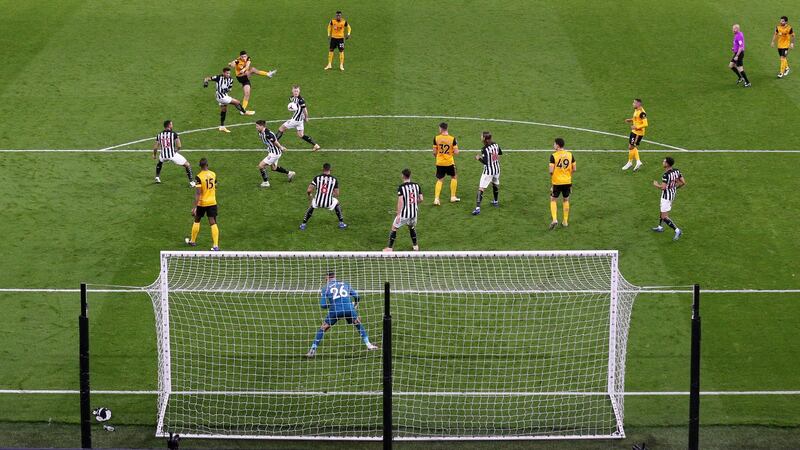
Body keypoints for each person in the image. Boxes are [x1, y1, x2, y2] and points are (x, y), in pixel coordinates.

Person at [306, 271, 378, 358]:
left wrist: (332, 304)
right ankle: (368, 345)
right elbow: (357, 297)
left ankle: (312, 350)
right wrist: (355, 305)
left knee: (323, 328)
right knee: (358, 323)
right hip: (349, 309)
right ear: (335, 277)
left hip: (335, 310)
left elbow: (323, 305)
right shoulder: (345, 284)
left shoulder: (325, 288)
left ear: (327, 278)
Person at [203, 67, 255, 133]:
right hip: (221, 96)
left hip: (225, 95)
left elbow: (229, 89)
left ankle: (222, 126)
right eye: (227, 73)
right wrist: (206, 82)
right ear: (223, 73)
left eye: (229, 73)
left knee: (224, 110)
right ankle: (244, 112)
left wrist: (226, 90)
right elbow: (207, 78)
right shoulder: (218, 77)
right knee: (237, 102)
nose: (228, 74)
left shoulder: (231, 79)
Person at [185, 158, 220, 250]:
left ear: (200, 166)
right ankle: (215, 246)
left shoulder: (199, 177)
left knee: (197, 220)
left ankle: (192, 241)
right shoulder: (213, 174)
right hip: (212, 201)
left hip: (202, 203)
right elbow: (215, 186)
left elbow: (198, 193)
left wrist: (194, 207)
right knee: (213, 222)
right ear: (207, 165)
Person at [384, 168, 423, 252]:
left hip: (405, 214)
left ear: (402, 176)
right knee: (411, 227)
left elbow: (400, 201)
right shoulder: (417, 185)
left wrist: (398, 214)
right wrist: (414, 204)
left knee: (394, 227)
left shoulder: (401, 187)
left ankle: (389, 248)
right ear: (410, 175)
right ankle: (416, 246)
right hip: (414, 213)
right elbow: (421, 199)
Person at [300, 163, 346, 230]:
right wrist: (330, 195)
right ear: (330, 169)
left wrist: (309, 195)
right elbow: (337, 194)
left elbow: (309, 190)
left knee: (312, 205)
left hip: (318, 202)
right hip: (329, 203)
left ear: (322, 169)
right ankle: (341, 223)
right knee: (337, 202)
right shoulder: (334, 179)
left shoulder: (317, 178)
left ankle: (303, 224)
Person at [276, 85, 321, 151]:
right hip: (300, 121)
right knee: (301, 135)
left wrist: (306, 117)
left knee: (281, 128)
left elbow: (305, 110)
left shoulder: (301, 100)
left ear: (299, 91)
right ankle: (316, 145)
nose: (296, 92)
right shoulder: (292, 98)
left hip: (295, 120)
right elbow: (292, 101)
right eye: (294, 91)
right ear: (292, 91)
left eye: (297, 91)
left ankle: (273, 143)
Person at [651, 156, 686, 241]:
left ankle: (677, 231)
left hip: (666, 197)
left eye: (664, 161)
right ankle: (660, 227)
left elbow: (663, 187)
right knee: (662, 210)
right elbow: (683, 182)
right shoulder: (677, 171)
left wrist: (656, 185)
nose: (662, 162)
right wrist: (675, 188)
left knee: (664, 216)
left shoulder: (666, 175)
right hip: (672, 195)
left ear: (667, 164)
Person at [152, 120, 195, 187]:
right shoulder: (174, 134)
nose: (172, 125)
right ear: (169, 125)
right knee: (187, 164)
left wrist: (154, 155)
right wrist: (176, 150)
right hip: (172, 155)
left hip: (163, 155)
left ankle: (157, 177)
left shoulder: (159, 135)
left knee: (160, 161)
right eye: (171, 124)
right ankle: (192, 182)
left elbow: (155, 147)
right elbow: (179, 146)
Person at [255, 120, 295, 187]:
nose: (256, 127)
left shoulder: (268, 134)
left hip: (274, 153)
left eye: (257, 126)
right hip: (272, 151)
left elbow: (275, 141)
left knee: (261, 166)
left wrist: (281, 147)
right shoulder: (261, 132)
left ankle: (266, 183)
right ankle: (289, 173)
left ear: (262, 126)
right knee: (274, 168)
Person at [472, 132, 502, 215]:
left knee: (481, 188)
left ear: (485, 139)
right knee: (495, 184)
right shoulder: (496, 144)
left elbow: (485, 162)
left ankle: (477, 208)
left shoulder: (484, 149)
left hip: (488, 172)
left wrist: (478, 158)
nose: (481, 138)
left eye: (482, 137)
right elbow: (499, 154)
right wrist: (494, 160)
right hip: (497, 169)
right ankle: (495, 201)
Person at [549, 138, 575, 230]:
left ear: (558, 145)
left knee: (553, 200)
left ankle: (555, 219)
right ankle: (565, 221)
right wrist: (568, 174)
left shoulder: (553, 156)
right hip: (567, 181)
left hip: (557, 182)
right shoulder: (570, 154)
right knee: (566, 199)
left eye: (554, 144)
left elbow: (551, 171)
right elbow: (574, 169)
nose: (553, 145)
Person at [432, 122, 459, 205]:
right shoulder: (452, 139)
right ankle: (453, 197)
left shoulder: (436, 138)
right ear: (447, 128)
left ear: (441, 128)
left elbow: (434, 152)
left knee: (440, 179)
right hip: (449, 162)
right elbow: (456, 152)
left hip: (439, 162)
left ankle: (436, 199)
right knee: (454, 177)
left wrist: (439, 156)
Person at [622, 99, 648, 171]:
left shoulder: (642, 113)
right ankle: (633, 162)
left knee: (632, 147)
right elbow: (636, 119)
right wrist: (630, 120)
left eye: (634, 103)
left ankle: (634, 162)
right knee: (631, 146)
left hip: (638, 133)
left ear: (638, 104)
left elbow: (646, 124)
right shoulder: (636, 110)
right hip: (634, 131)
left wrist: (636, 127)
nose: (633, 104)